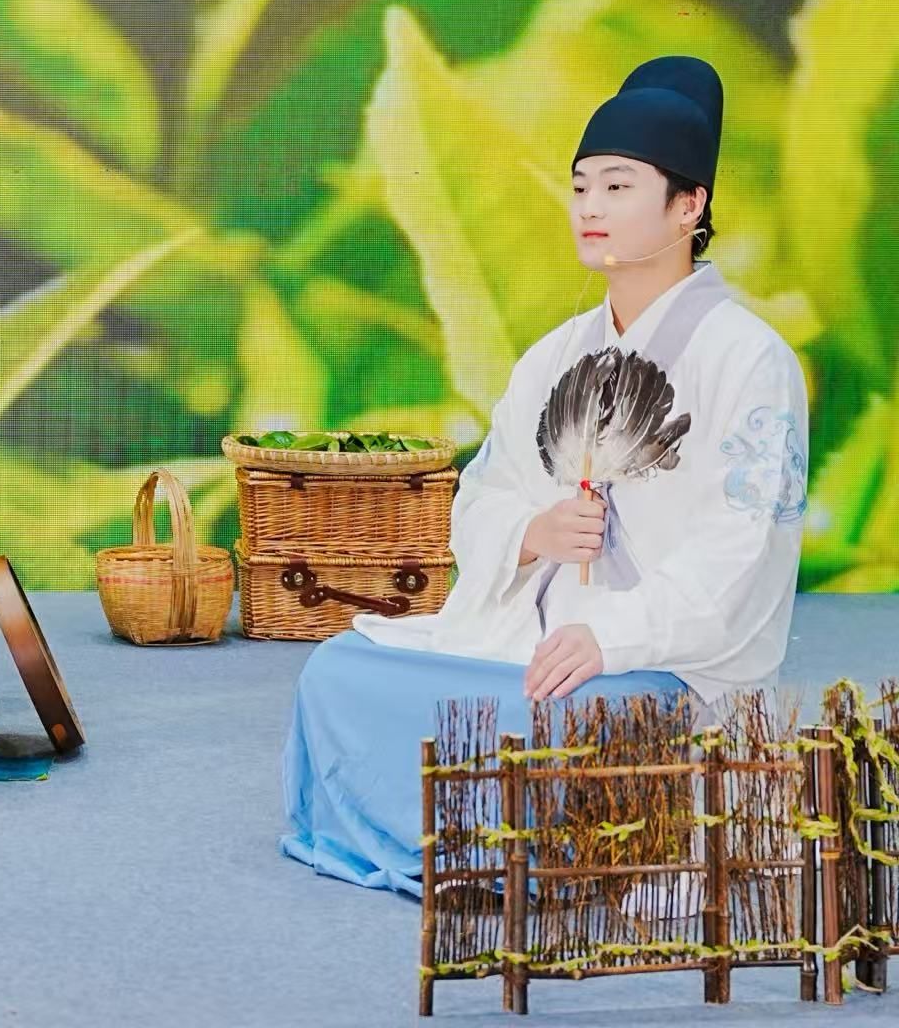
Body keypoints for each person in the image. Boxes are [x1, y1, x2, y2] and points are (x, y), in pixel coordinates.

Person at [281, 57, 808, 894]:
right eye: (581, 187)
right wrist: (531, 534)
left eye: (618, 187)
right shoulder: (554, 355)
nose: (590, 208)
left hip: (659, 661)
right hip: (526, 638)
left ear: (689, 206)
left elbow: (742, 552)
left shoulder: (749, 359)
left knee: (565, 720)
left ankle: (533, 853)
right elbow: (484, 493)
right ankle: (462, 845)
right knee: (337, 673)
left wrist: (612, 636)